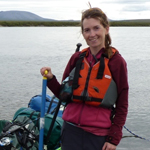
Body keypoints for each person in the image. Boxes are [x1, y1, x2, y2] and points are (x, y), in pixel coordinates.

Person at [40, 7, 128, 150]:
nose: (92, 34)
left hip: (97, 135)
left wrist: (113, 138)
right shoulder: (76, 58)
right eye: (87, 30)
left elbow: (122, 104)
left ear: (106, 29)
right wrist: (50, 79)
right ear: (83, 33)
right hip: (70, 131)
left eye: (96, 28)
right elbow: (63, 94)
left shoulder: (116, 62)